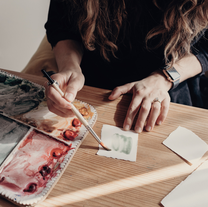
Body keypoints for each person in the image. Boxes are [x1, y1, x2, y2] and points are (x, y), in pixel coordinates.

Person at [44, 0, 208, 133]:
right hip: (93, 83)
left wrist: (164, 78)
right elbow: (62, 26)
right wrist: (70, 67)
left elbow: (204, 49)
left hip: (169, 85)